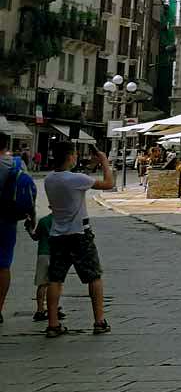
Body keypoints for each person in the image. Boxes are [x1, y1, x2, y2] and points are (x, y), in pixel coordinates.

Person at [43, 143, 114, 336]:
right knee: (94, 276)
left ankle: (53, 324)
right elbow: (109, 184)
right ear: (70, 157)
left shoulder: (49, 180)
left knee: (55, 278)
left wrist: (91, 166)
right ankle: (99, 321)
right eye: (74, 155)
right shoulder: (77, 179)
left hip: (58, 234)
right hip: (80, 234)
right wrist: (105, 161)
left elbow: (75, 180)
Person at [2, 135, 39, 325]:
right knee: (4, 264)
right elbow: (29, 192)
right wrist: (32, 218)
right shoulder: (16, 164)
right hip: (7, 220)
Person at [30, 212, 58, 322]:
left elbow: (35, 237)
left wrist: (29, 228)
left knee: (42, 284)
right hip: (57, 253)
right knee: (55, 283)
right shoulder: (62, 220)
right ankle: (54, 308)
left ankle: (40, 309)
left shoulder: (44, 221)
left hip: (43, 253)